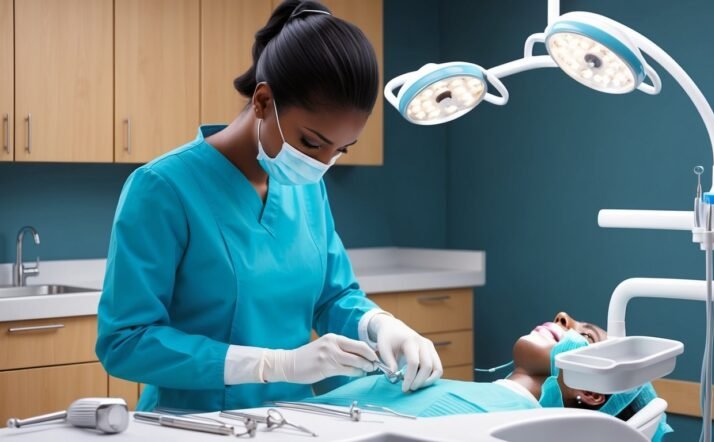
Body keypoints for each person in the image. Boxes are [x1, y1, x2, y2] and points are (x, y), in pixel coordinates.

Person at [95, 0, 442, 413]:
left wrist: (379, 324)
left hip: (292, 420)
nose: (320, 163)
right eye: (311, 142)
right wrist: (272, 364)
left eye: (340, 150)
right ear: (262, 102)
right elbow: (126, 342)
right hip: (193, 425)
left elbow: (333, 297)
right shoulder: (163, 189)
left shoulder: (305, 185)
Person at [304, 312, 673, 441]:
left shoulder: (503, 423)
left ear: (592, 392)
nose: (563, 317)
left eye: (586, 334)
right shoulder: (473, 396)